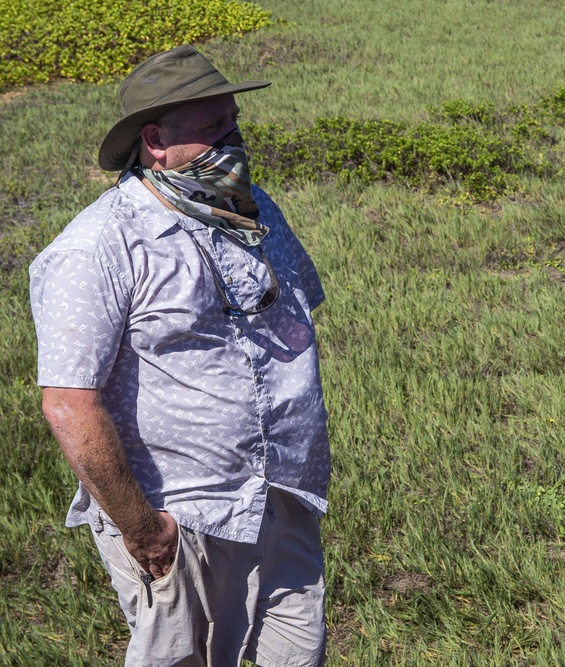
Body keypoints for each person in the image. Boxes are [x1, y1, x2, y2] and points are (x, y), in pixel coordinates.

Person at [29, 45, 331, 666]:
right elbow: (67, 403)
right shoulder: (96, 247)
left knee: (297, 656)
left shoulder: (252, 205)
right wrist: (142, 529)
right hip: (179, 513)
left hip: (276, 492)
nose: (234, 141)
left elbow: (297, 312)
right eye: (213, 129)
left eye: (234, 122)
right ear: (155, 141)